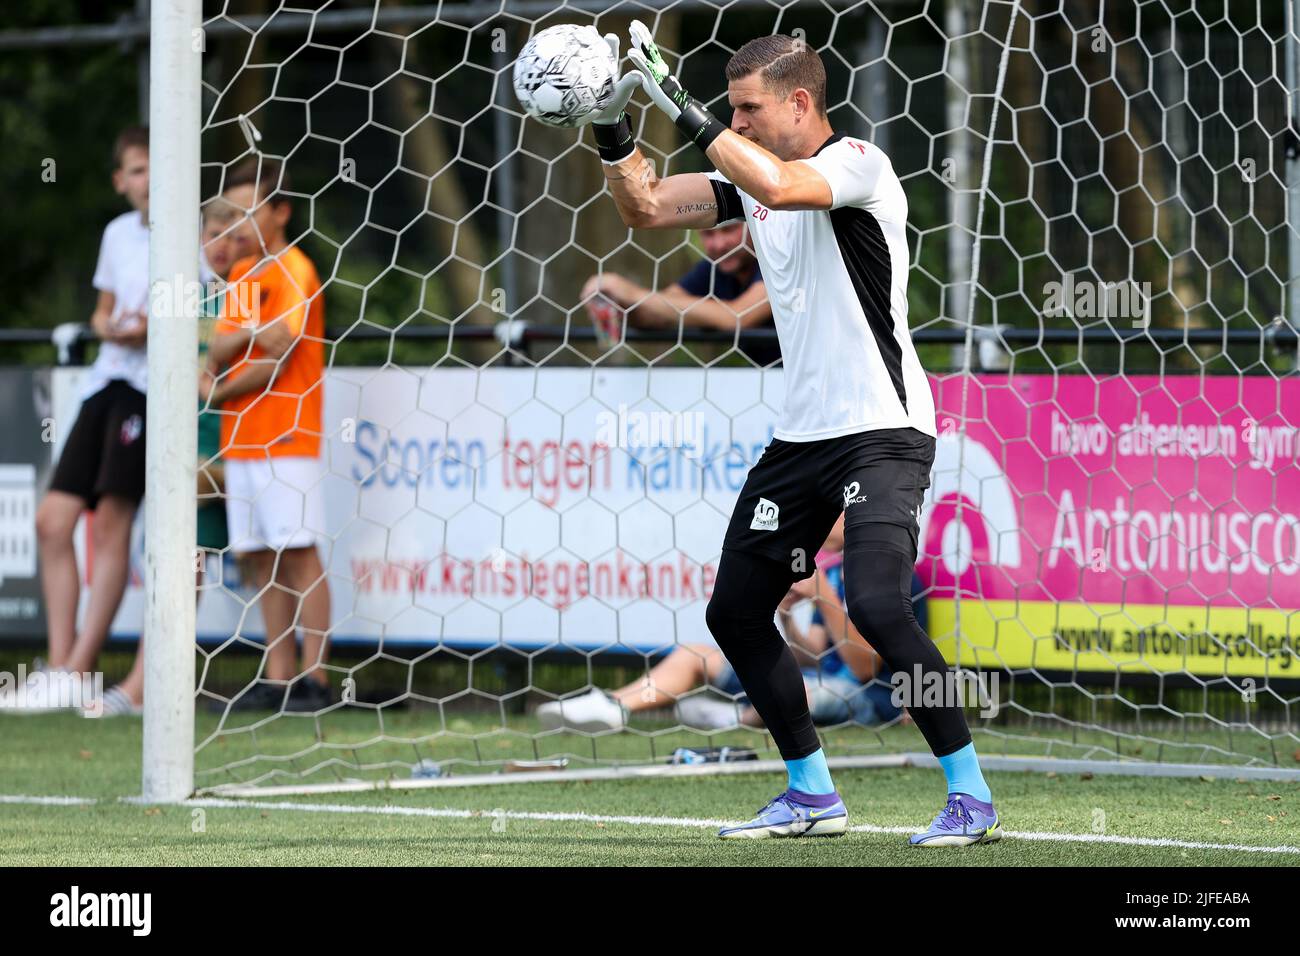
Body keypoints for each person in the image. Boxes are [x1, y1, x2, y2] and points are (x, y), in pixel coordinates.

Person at [583, 25, 999, 844]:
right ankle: (811, 793)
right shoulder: (750, 178)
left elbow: (778, 184)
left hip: (882, 429)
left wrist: (690, 111)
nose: (734, 124)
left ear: (800, 102)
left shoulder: (856, 166)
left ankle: (972, 794)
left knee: (879, 604)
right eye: (730, 110)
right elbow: (646, 204)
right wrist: (608, 121)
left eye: (749, 109)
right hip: (801, 438)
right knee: (735, 613)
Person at [5, 126, 151, 714]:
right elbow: (103, 310)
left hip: (148, 391)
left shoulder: (198, 236)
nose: (148, 181)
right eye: (137, 170)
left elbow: (204, 320)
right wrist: (108, 326)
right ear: (120, 181)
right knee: (51, 521)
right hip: (105, 382)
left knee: (112, 527)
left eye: (156, 167)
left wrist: (153, 328)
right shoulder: (116, 234)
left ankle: (81, 664)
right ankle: (61, 665)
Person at [82, 200, 243, 717]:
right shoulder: (190, 295)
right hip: (186, 443)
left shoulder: (253, 293)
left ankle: (300, 679)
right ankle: (148, 679)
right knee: (178, 556)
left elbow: (254, 359)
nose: (225, 243)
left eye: (236, 233)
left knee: (271, 558)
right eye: (215, 232)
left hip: (236, 445)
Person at [536, 516, 910, 733]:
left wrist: (823, 595)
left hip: (865, 700)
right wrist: (785, 614)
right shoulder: (833, 571)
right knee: (694, 655)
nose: (820, 519)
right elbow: (813, 656)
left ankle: (733, 717)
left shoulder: (892, 576)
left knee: (797, 692)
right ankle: (614, 706)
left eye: (833, 511)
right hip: (816, 680)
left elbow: (862, 668)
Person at [204, 157, 333, 713]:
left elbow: (277, 363)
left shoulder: (296, 269)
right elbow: (220, 348)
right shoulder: (242, 274)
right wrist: (252, 337)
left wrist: (217, 390)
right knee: (261, 559)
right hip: (243, 437)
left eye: (248, 211)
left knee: (300, 552)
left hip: (288, 432)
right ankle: (279, 676)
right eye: (230, 214)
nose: (237, 225)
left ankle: (318, 678)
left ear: (280, 211)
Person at [580, 220, 778, 365]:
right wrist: (621, 303)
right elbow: (660, 312)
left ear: (754, 223)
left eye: (729, 230)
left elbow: (738, 317)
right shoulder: (712, 269)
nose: (718, 244)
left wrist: (634, 294)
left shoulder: (777, 261)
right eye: (708, 234)